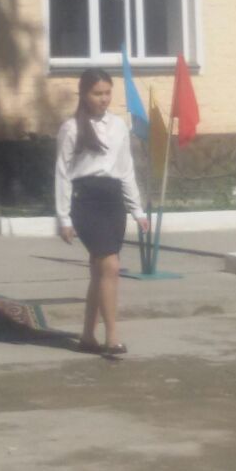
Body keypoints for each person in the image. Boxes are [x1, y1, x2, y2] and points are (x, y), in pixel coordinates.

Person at [55, 68, 149, 357]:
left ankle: (87, 337)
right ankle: (112, 338)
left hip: (113, 201)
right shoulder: (72, 128)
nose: (104, 99)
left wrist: (137, 209)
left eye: (108, 93)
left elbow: (126, 169)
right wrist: (63, 217)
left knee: (100, 271)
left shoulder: (119, 126)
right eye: (98, 93)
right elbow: (62, 173)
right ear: (84, 94)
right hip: (86, 201)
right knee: (110, 266)